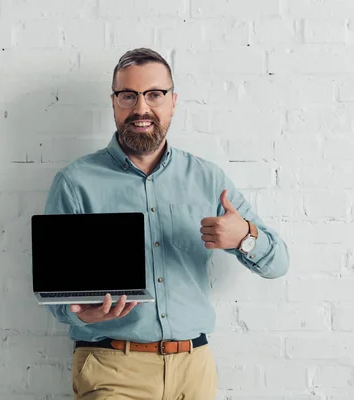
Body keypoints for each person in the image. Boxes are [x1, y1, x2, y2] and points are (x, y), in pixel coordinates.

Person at [42, 48, 289, 400]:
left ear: (173, 102)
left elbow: (278, 264)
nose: (141, 108)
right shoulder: (75, 182)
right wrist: (84, 314)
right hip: (113, 367)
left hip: (194, 370)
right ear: (114, 102)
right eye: (129, 96)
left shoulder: (207, 178)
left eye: (154, 95)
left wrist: (244, 238)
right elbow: (53, 295)